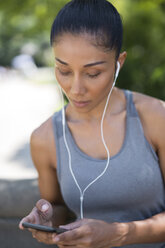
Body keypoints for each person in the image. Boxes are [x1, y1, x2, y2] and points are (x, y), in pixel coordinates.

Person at [19, 0, 165, 247]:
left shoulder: (155, 117)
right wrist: (46, 219)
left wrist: (118, 233)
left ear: (119, 63)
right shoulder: (45, 138)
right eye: (63, 70)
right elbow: (57, 207)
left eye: (93, 73)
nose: (76, 89)